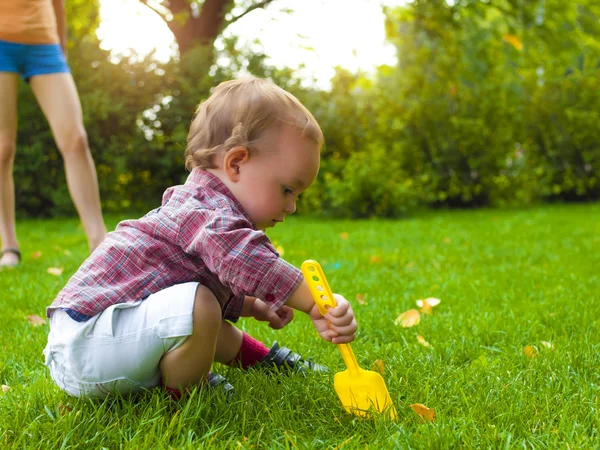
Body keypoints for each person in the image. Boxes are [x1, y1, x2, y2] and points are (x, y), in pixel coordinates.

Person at [43, 77, 357, 399]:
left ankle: (264, 360)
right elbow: (242, 258)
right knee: (198, 306)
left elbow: (204, 275)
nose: (291, 206)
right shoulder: (206, 209)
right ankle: (188, 396)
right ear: (236, 163)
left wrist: (254, 304)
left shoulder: (200, 208)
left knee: (196, 306)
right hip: (87, 344)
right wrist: (311, 301)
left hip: (99, 342)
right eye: (287, 189)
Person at [0, 0, 106, 267]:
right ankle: (9, 246)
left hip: (45, 43)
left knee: (76, 139)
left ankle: (99, 242)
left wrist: (62, 44)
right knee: (2, 148)